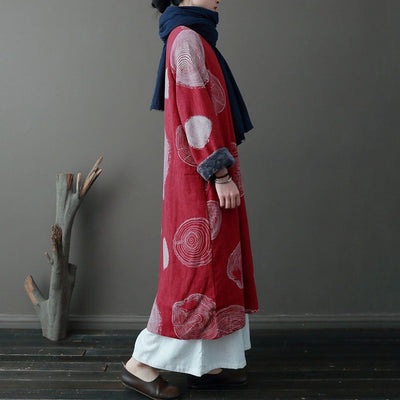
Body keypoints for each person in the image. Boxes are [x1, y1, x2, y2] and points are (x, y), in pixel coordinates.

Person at [120, 0, 259, 398]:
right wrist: (219, 172)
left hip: (199, 172)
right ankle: (141, 364)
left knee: (214, 267)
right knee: (195, 274)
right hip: (202, 176)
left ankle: (210, 363)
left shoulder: (192, 36)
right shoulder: (186, 39)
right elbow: (196, 109)